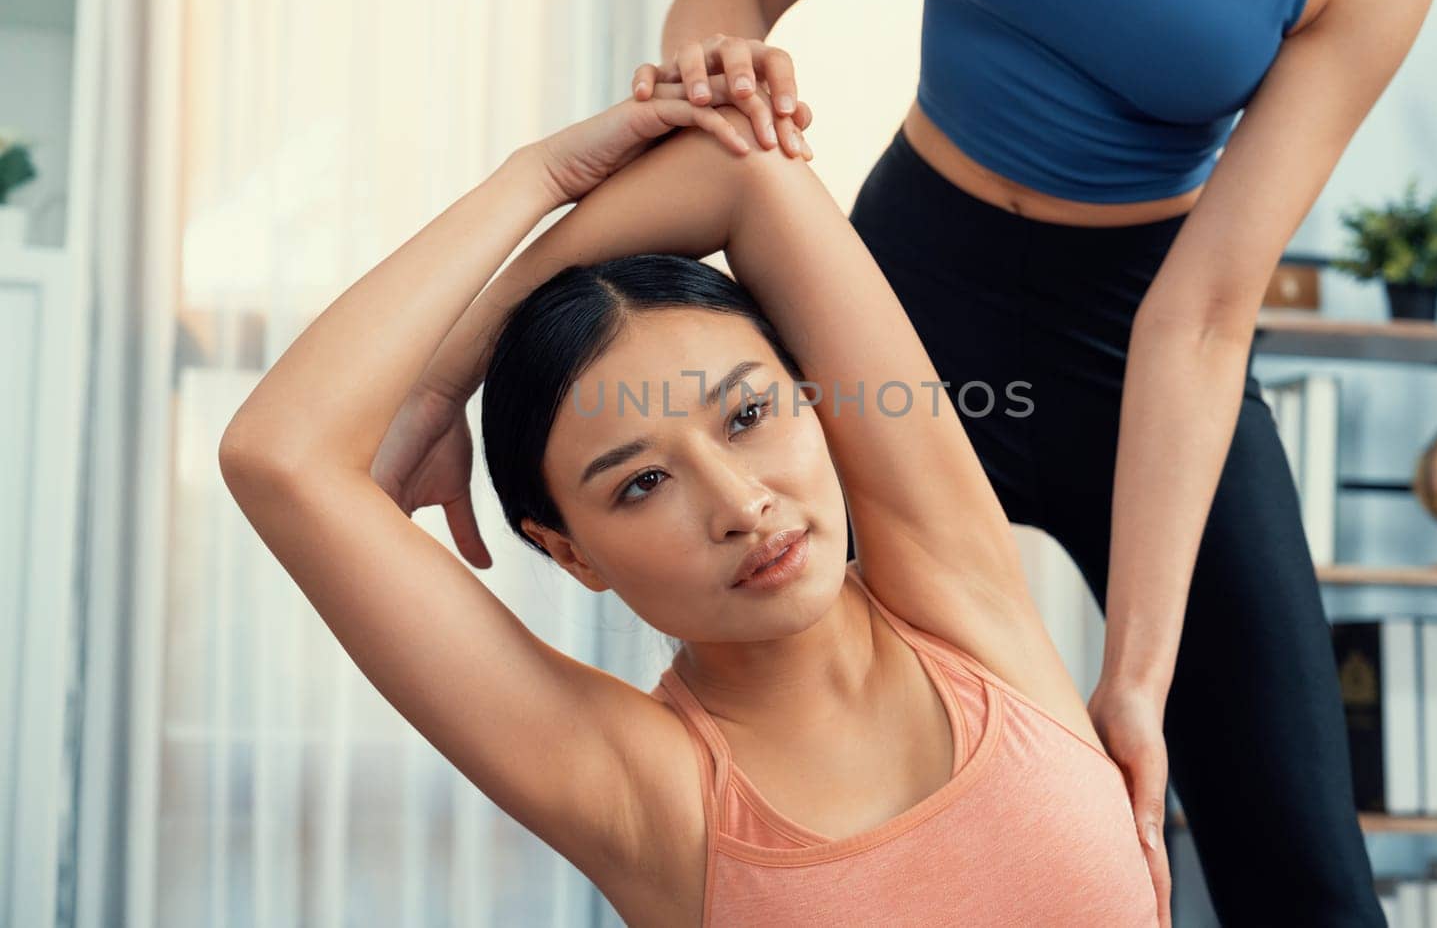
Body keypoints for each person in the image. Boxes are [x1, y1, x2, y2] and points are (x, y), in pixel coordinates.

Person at [632, 0, 1437, 923]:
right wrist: (717, 63)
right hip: (899, 303)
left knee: (1304, 876)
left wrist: (1136, 682)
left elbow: (1199, 318)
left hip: (1151, 347)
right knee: (803, 762)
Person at [218, 82, 1162, 925]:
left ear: (817, 401)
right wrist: (534, 175)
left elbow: (739, 169)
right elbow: (279, 455)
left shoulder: (962, 598)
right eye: (641, 483)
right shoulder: (648, 792)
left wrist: (455, 363)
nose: (741, 503)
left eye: (750, 411)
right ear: (572, 552)